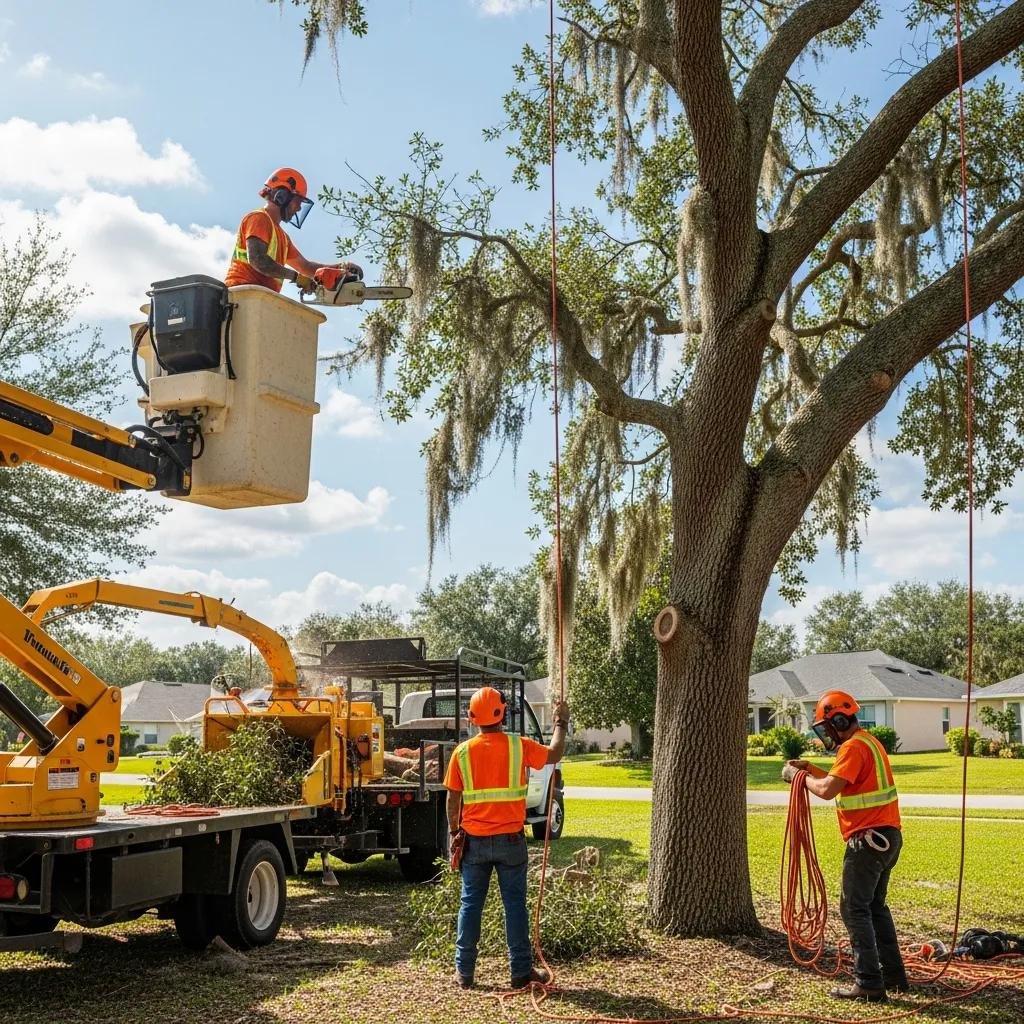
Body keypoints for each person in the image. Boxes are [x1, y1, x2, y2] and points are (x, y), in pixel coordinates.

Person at [784, 690, 909, 1003]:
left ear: (839, 721)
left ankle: (869, 983)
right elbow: (839, 780)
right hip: (887, 838)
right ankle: (893, 975)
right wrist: (809, 769)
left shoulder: (853, 747)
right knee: (874, 907)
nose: (827, 734)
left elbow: (828, 790)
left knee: (854, 908)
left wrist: (796, 776)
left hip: (867, 841)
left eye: (828, 727)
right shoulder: (869, 742)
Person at [444, 686, 570, 991]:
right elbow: (555, 754)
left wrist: (454, 832)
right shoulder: (518, 746)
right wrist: (561, 722)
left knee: (470, 905)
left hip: (474, 841)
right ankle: (520, 972)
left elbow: (453, 798)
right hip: (511, 842)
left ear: (472, 717)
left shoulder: (462, 753)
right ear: (502, 714)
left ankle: (464, 973)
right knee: (514, 906)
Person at [224, 167, 361, 293]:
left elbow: (305, 267)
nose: (299, 208)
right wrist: (296, 277)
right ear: (282, 196)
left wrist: (340, 267)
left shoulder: (283, 238)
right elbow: (258, 260)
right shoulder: (259, 218)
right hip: (241, 293)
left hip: (261, 296)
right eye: (297, 202)